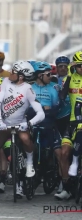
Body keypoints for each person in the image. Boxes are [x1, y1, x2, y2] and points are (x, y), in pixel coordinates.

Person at [0, 60, 45, 200]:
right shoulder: (5, 82)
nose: (10, 73)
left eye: (14, 72)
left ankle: (29, 162)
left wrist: (29, 123)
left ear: (21, 76)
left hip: (20, 125)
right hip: (4, 125)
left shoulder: (28, 89)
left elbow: (41, 113)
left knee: (25, 139)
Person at [29, 61, 68, 200]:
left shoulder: (54, 88)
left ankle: (64, 185)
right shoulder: (30, 88)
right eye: (48, 74)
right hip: (33, 124)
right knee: (26, 148)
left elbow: (57, 107)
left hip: (50, 124)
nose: (51, 76)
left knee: (60, 153)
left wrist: (48, 111)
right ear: (39, 75)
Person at [60, 52, 82, 192]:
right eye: (79, 66)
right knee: (64, 153)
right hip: (73, 121)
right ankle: (65, 187)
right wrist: (69, 75)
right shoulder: (70, 78)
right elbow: (62, 96)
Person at [53, 55, 72, 198]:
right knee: (58, 152)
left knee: (68, 152)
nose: (63, 68)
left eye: (66, 66)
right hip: (55, 119)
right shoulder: (53, 80)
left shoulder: (72, 79)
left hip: (70, 118)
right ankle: (61, 180)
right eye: (60, 66)